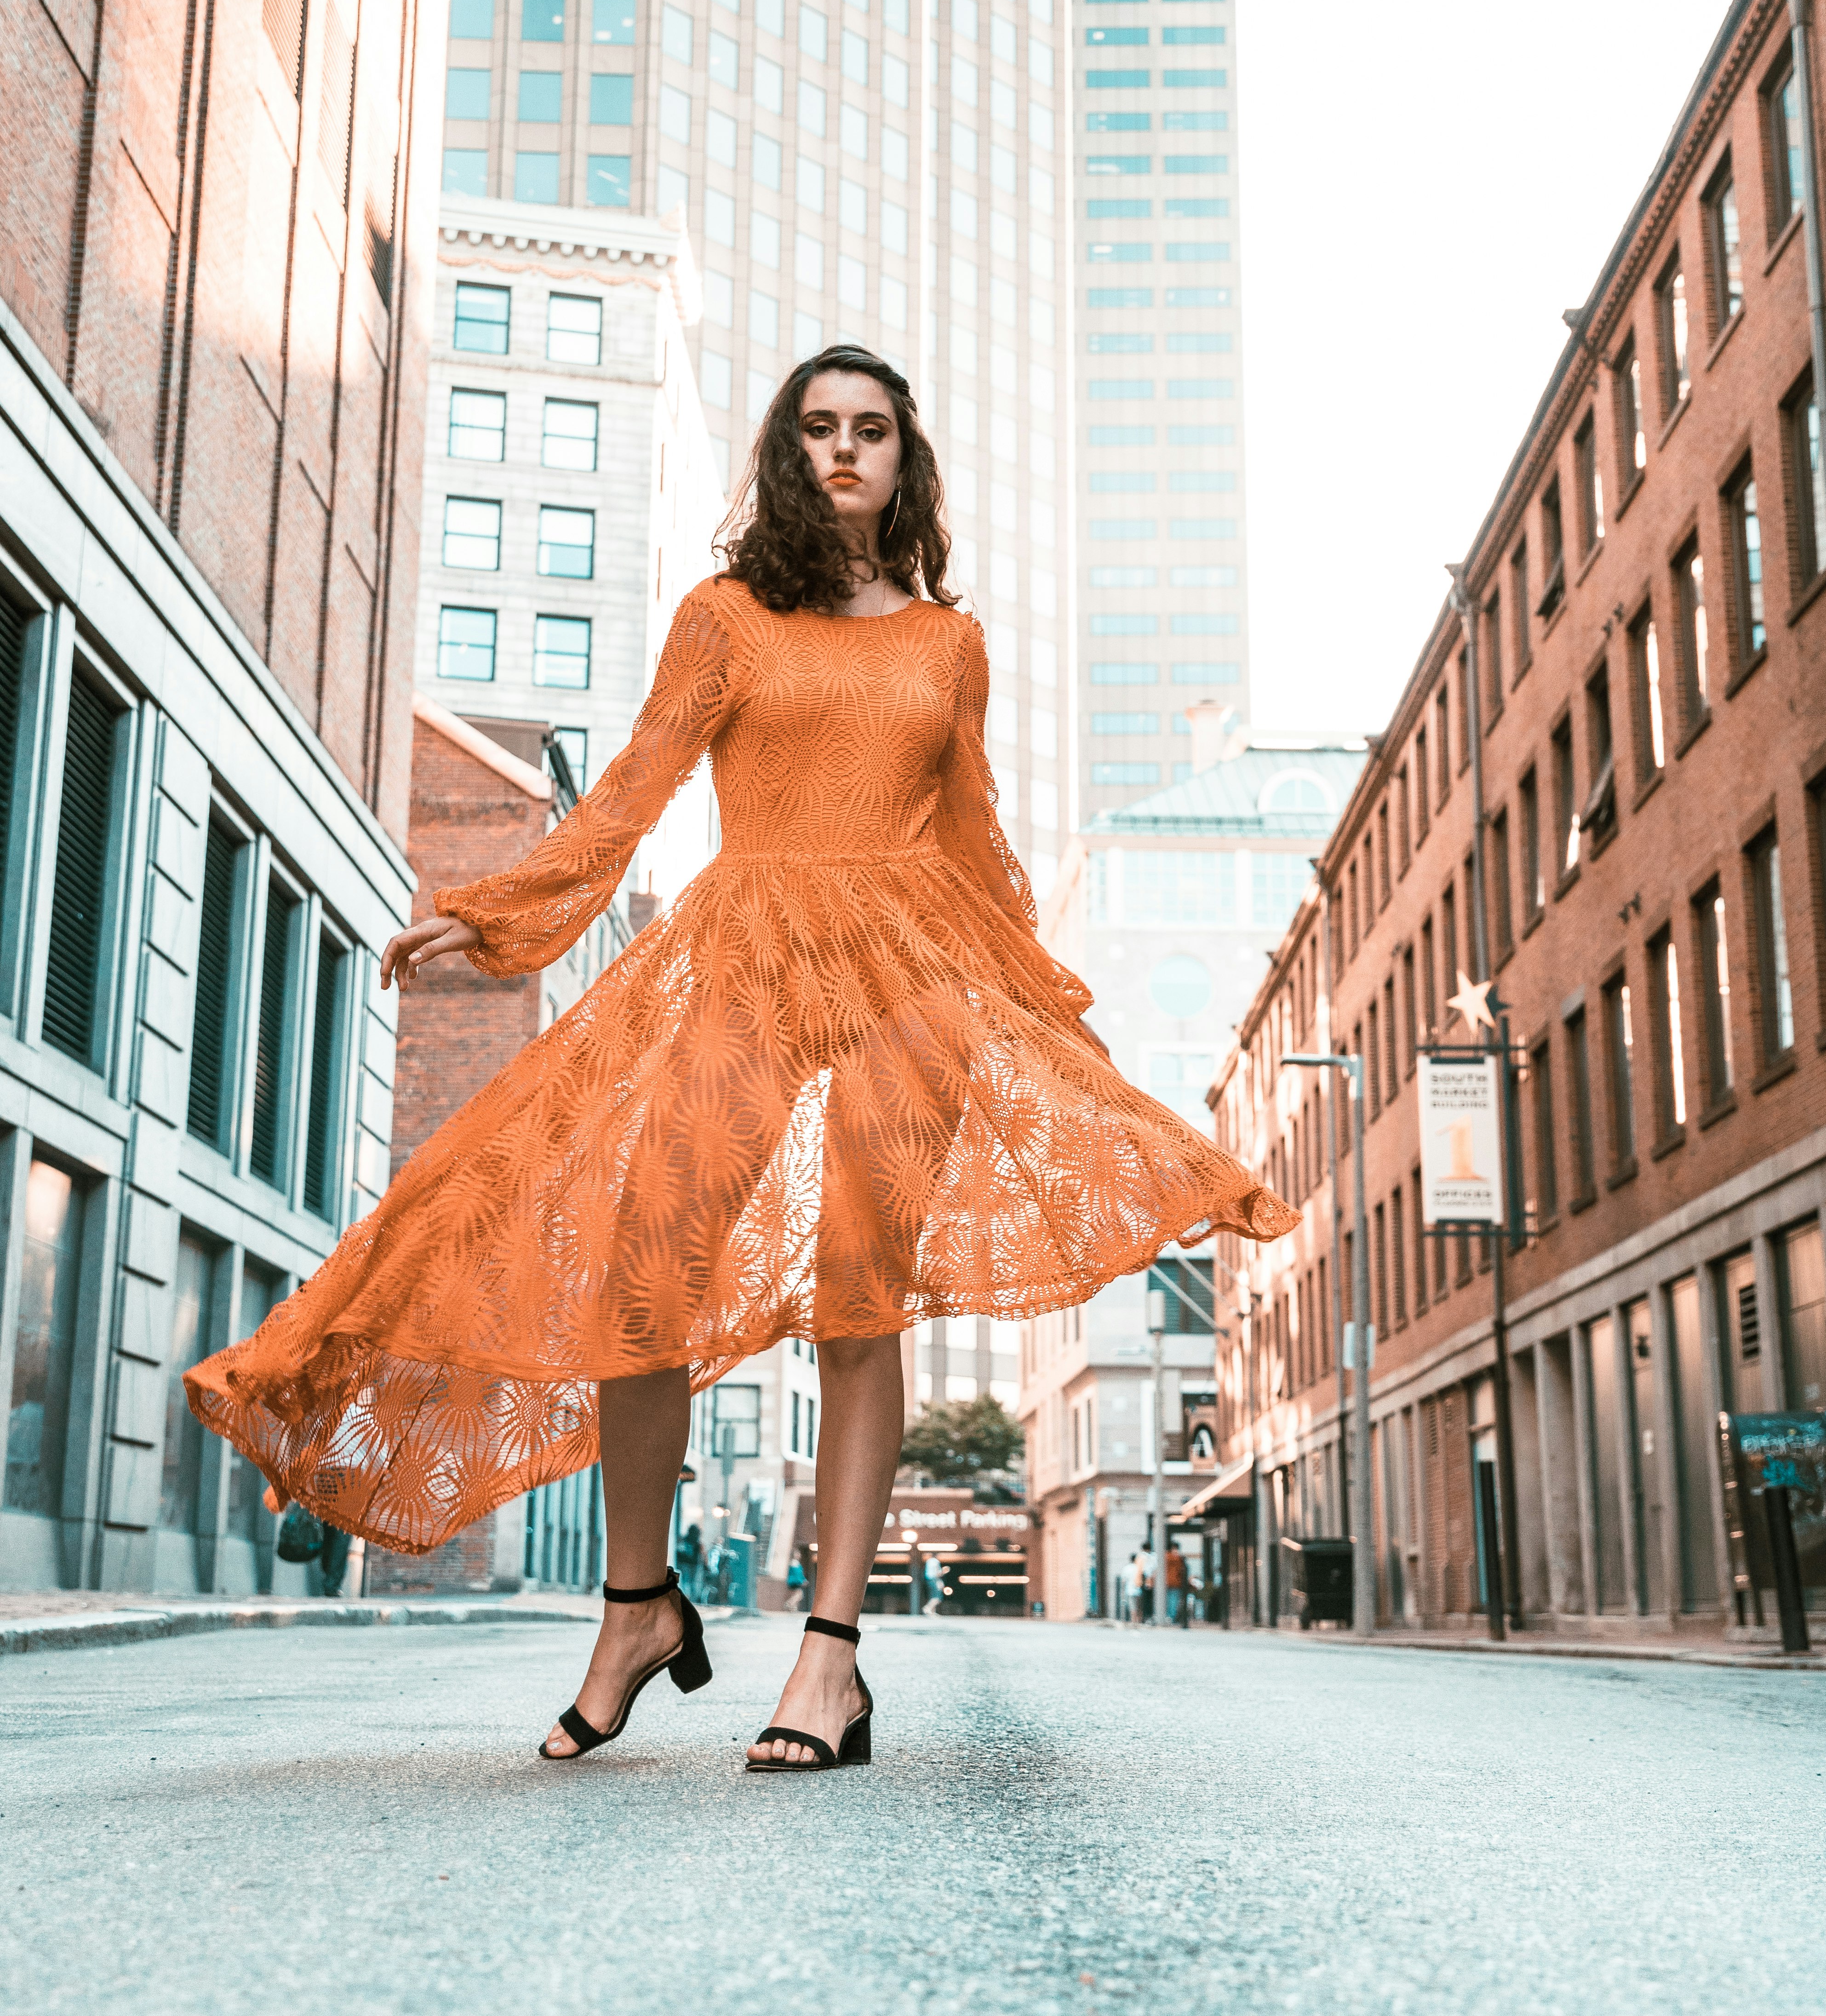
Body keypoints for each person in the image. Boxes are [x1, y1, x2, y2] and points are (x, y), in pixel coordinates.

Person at [187, 348, 1297, 1775]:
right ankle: (637, 1607)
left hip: (914, 978)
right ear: (789, 450)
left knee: (859, 1304)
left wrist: (1042, 1010)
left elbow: (972, 837)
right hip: (750, 957)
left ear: (907, 457)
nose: (845, 450)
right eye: (820, 428)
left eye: (872, 431)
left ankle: (827, 1659)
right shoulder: (724, 616)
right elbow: (637, 790)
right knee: (644, 1266)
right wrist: (494, 916)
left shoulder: (946, 643)